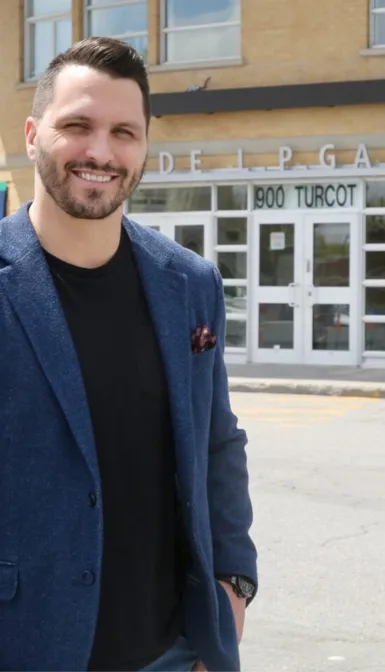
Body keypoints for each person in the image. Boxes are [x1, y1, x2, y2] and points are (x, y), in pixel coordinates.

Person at [0, 37, 256, 671]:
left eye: (124, 132)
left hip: (172, 652)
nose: (101, 152)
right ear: (32, 134)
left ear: (144, 146)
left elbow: (217, 441)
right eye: (77, 126)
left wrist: (233, 585)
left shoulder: (190, 282)